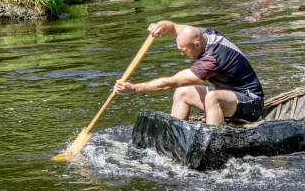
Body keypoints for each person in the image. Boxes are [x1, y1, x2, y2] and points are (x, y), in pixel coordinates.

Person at [113, 21, 264, 125]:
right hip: (229, 98)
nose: (182, 54)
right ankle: (174, 136)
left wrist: (134, 89)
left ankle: (213, 143)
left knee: (213, 97)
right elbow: (171, 26)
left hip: (251, 103)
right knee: (182, 92)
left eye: (184, 50)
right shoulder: (203, 34)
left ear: (197, 44)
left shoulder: (212, 59)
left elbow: (169, 83)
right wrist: (159, 26)